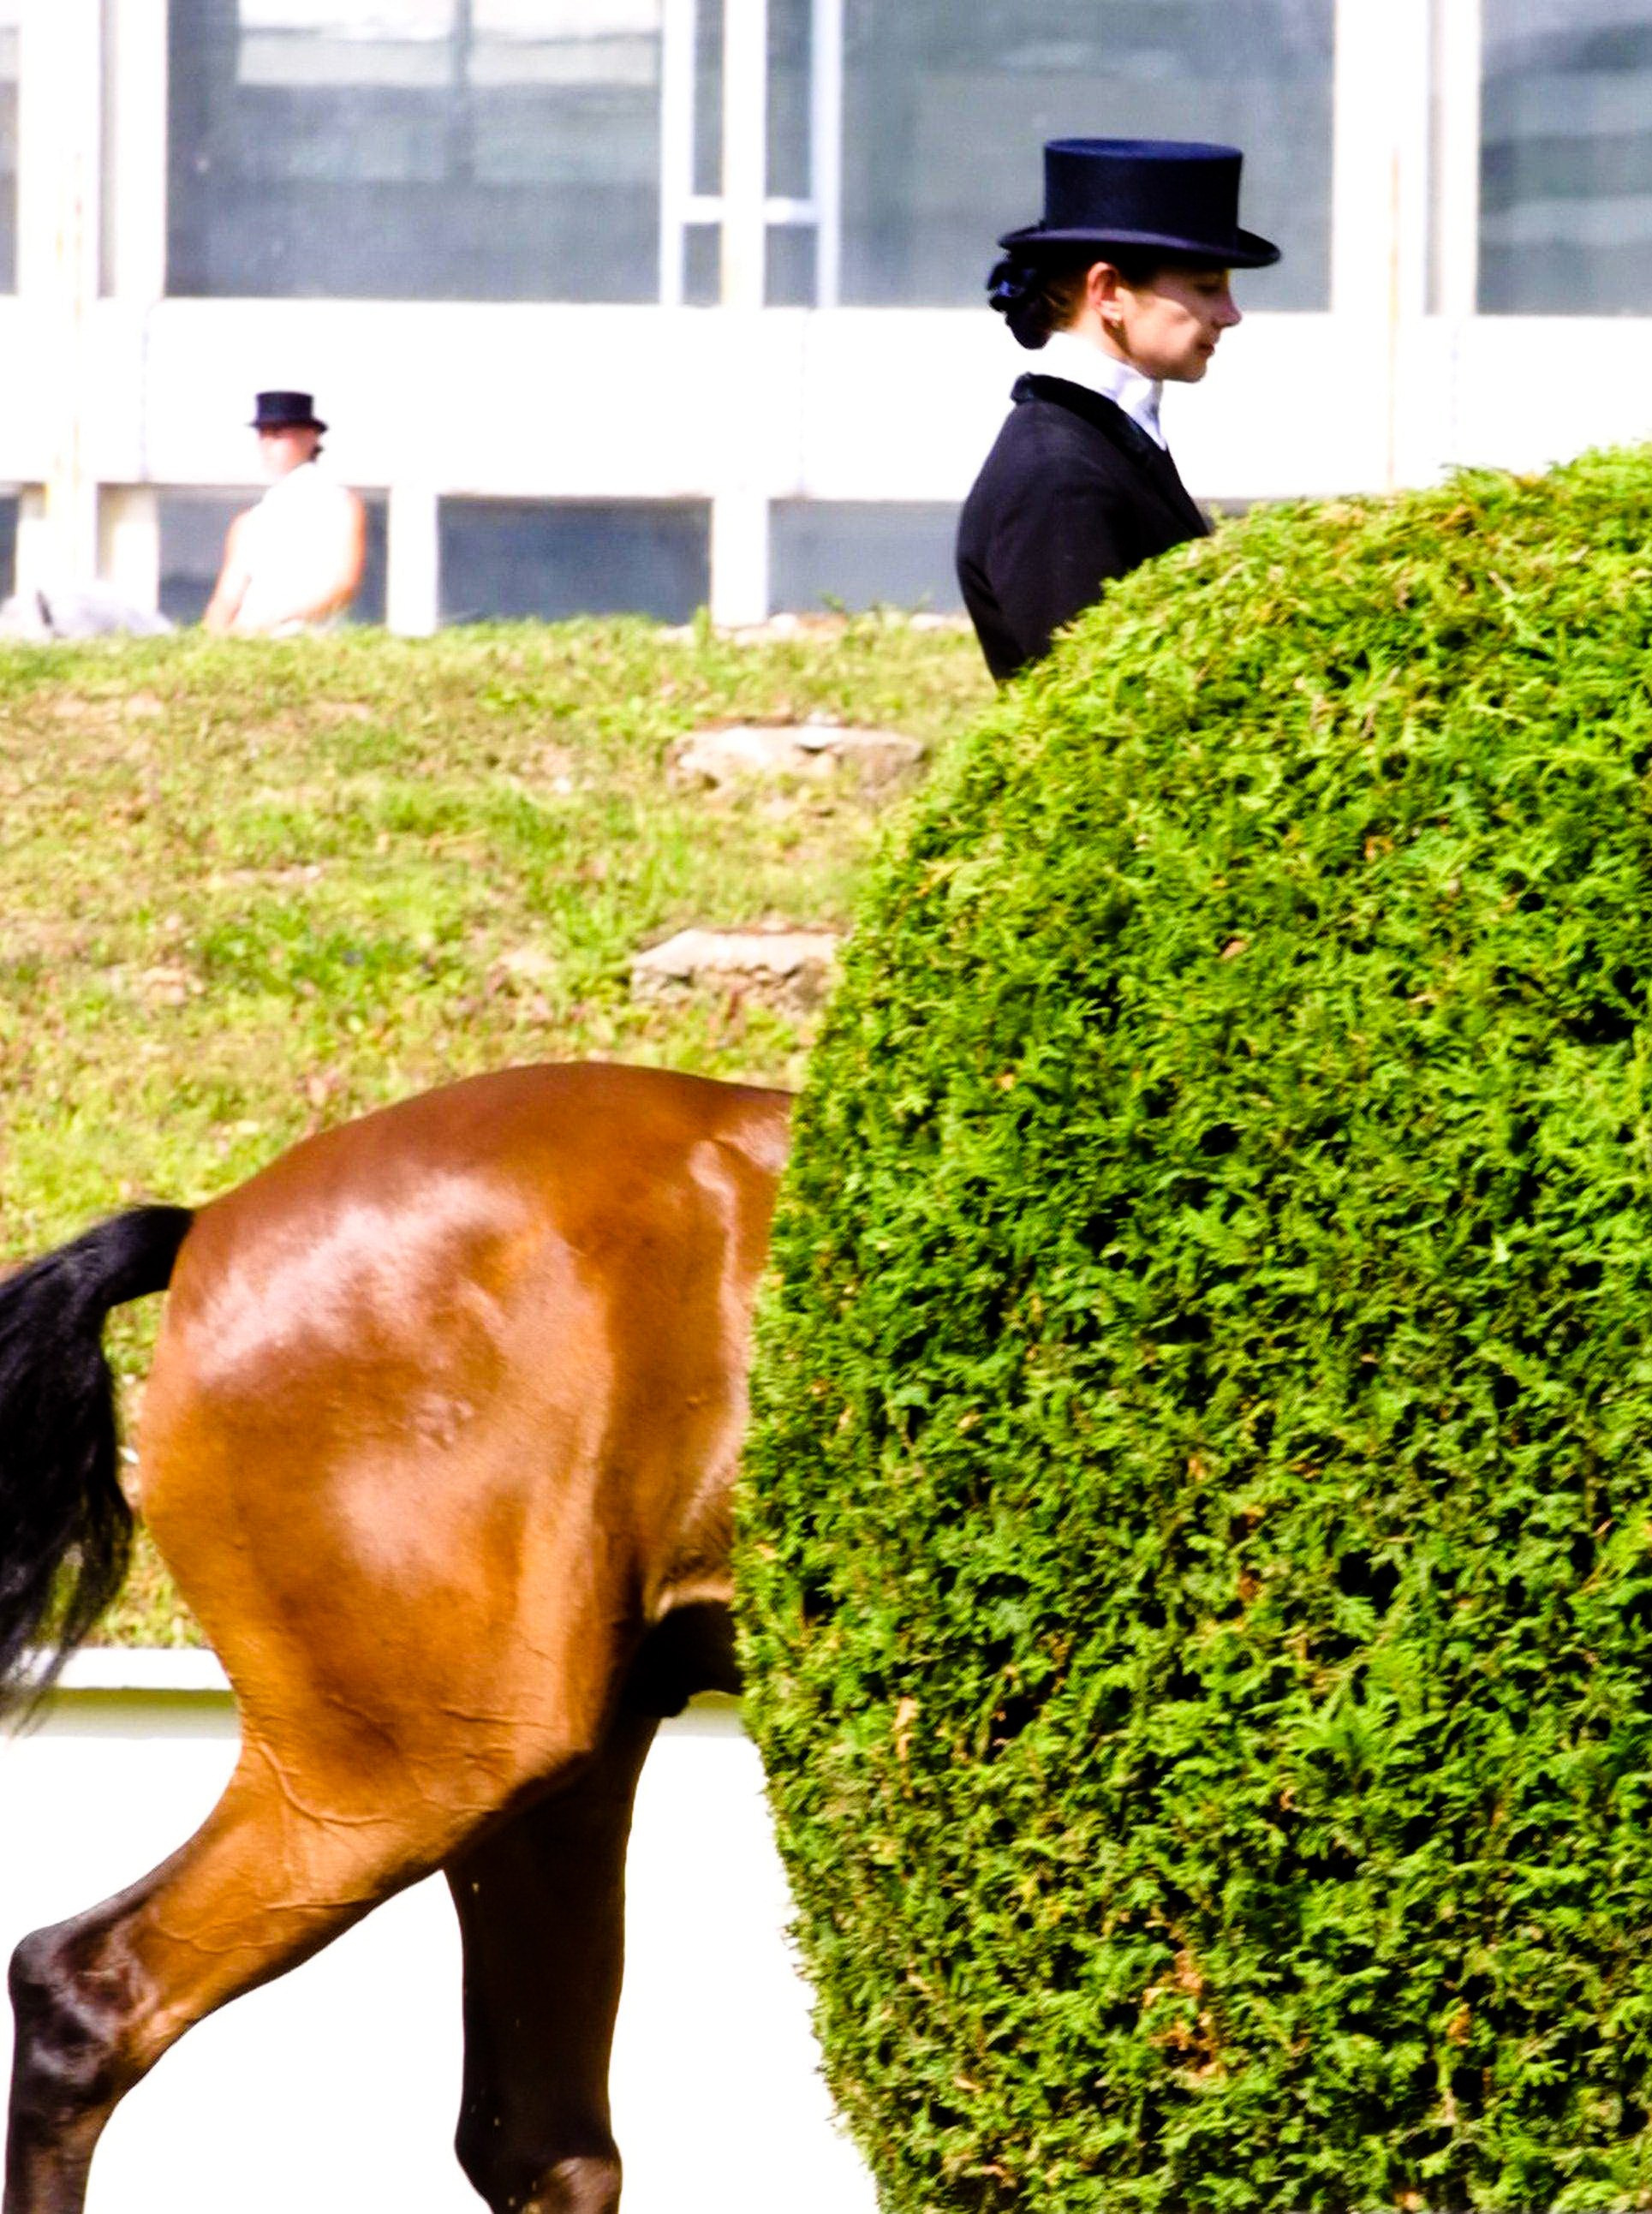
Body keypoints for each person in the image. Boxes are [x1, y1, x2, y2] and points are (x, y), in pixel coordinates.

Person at [956, 139, 1280, 683]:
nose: (1230, 314)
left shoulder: (1103, 438)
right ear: (1108, 291)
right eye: (1207, 287)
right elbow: (1099, 704)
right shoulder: (1057, 475)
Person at [203, 391, 367, 636]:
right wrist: (214, 640)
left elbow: (344, 586)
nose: (268, 445)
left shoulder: (342, 506)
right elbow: (226, 598)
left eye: (278, 435)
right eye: (263, 436)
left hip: (309, 643)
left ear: (311, 437)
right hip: (246, 645)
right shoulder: (251, 521)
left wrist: (273, 621)